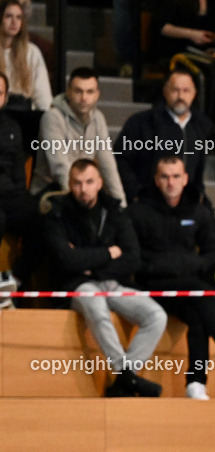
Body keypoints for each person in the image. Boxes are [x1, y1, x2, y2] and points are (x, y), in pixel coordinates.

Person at [130, 156, 215, 399]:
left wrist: (194, 265)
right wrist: (181, 266)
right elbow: (134, 259)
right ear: (156, 181)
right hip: (150, 286)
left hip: (185, 288)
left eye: (176, 176)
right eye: (165, 177)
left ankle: (196, 383)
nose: (171, 182)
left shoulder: (197, 210)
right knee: (200, 290)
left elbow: (213, 250)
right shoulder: (139, 211)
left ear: (185, 179)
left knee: (199, 314)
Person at [43, 159, 167, 397]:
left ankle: (124, 381)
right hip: (76, 285)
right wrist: (109, 253)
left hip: (112, 282)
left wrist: (89, 263)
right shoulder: (57, 213)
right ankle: (126, 376)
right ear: (69, 184)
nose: (83, 188)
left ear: (100, 183)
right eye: (77, 183)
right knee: (97, 305)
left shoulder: (114, 210)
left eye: (89, 182)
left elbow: (132, 258)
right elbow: (66, 261)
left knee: (156, 315)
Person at [116, 69, 213, 204]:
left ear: (194, 93)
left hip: (187, 204)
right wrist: (136, 194)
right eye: (175, 90)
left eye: (186, 91)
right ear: (165, 91)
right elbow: (121, 160)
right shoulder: (142, 122)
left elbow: (198, 171)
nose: (180, 96)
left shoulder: (201, 125)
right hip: (149, 203)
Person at [30, 67, 125, 204]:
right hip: (50, 191)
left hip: (82, 190)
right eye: (78, 91)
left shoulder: (98, 119)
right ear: (68, 92)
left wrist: (121, 205)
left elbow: (108, 165)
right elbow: (60, 167)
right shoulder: (52, 117)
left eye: (89, 92)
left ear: (97, 94)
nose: (84, 98)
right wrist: (81, 199)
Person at [0, 68, 38, 288]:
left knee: (43, 219)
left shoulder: (12, 127)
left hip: (9, 194)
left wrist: (21, 197)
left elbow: (17, 171)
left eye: (0, 93)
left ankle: (17, 278)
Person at [0, 0, 50, 111]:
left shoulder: (32, 52)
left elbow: (43, 97)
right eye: (8, 16)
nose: (14, 22)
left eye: (18, 17)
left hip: (23, 114)